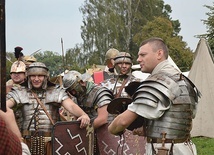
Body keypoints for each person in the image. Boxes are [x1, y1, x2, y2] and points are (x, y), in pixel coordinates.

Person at [108, 37, 201, 155]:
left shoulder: (158, 81)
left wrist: (111, 129)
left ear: (159, 54)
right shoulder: (185, 81)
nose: (139, 59)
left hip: (164, 150)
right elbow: (184, 122)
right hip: (185, 147)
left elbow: (122, 122)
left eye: (143, 55)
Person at [6, 62, 90, 155]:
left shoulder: (55, 91)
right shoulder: (19, 92)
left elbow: (71, 106)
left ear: (46, 77)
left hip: (51, 143)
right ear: (28, 77)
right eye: (33, 76)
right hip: (26, 142)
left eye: (40, 76)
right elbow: (4, 108)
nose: (36, 79)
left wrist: (83, 115)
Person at [62, 70, 114, 154]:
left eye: (74, 89)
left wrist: (84, 129)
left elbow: (103, 119)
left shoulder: (100, 92)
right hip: (89, 136)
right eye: (70, 91)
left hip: (107, 135)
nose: (73, 93)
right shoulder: (76, 98)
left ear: (81, 82)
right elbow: (77, 120)